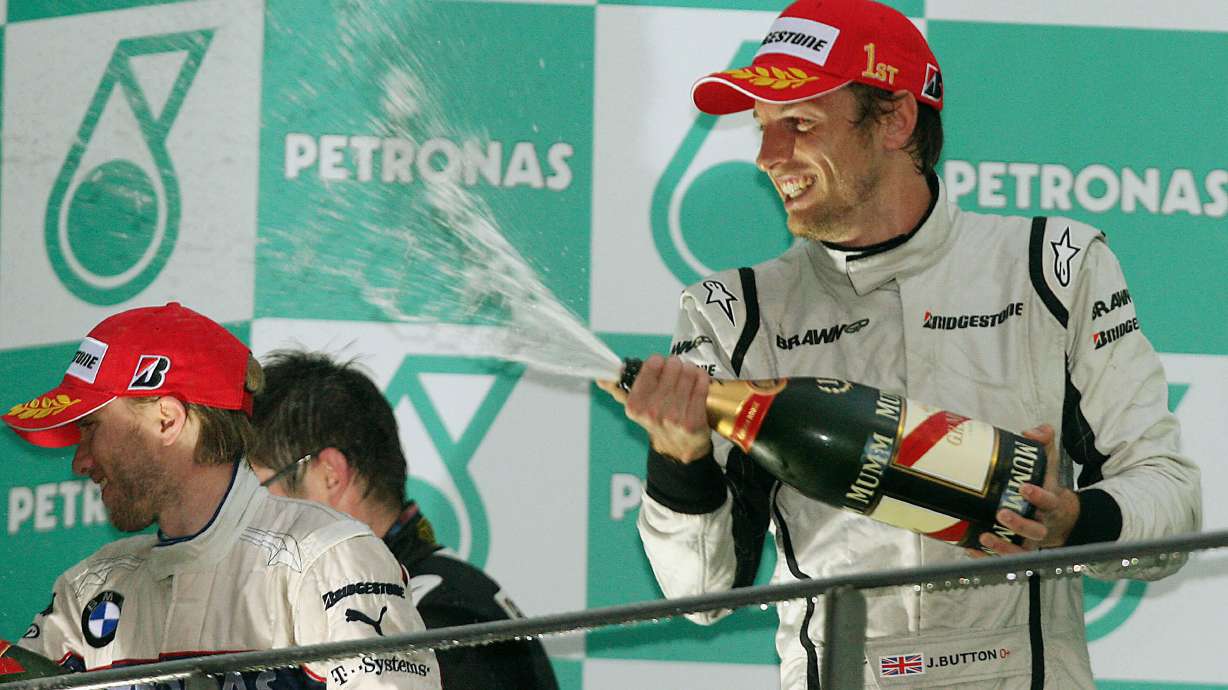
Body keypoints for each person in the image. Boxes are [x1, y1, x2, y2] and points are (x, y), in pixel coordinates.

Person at [603, 1, 1202, 688]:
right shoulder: (732, 312)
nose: (768, 157)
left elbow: (1171, 500)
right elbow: (699, 589)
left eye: (798, 123)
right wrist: (677, 459)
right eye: (763, 128)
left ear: (895, 119)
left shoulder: (1053, 267)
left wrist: (1072, 522)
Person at [3, 303, 441, 690]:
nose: (79, 462)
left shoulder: (326, 559)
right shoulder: (91, 587)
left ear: (166, 420)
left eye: (91, 428)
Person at [247, 350, 559, 690]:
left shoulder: (431, 619)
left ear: (330, 475)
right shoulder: (424, 597)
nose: (247, 515)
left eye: (258, 488)